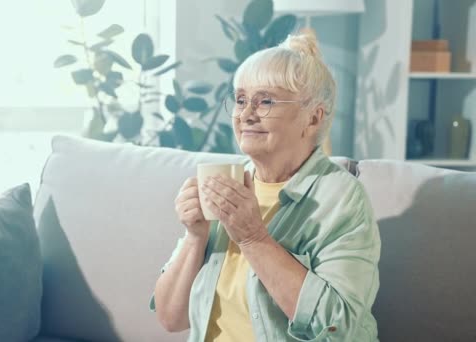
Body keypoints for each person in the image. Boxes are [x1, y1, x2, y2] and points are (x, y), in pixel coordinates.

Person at [149, 31, 381, 342]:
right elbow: (170, 318)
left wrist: (253, 238)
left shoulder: (341, 199)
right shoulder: (227, 180)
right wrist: (195, 236)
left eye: (265, 101)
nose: (245, 114)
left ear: (313, 118)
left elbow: (337, 327)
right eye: (241, 99)